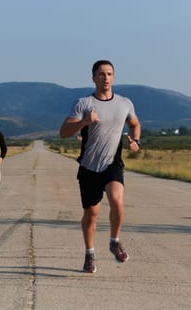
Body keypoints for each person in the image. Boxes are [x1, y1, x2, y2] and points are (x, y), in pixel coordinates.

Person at [59, 60, 141, 273]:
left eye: (110, 74)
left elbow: (134, 124)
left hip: (112, 163)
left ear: (114, 77)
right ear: (93, 77)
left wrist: (135, 140)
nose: (106, 78)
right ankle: (89, 254)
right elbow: (64, 132)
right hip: (88, 167)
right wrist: (84, 122)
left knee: (116, 199)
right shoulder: (83, 103)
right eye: (102, 74)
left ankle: (114, 241)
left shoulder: (125, 103)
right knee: (91, 215)